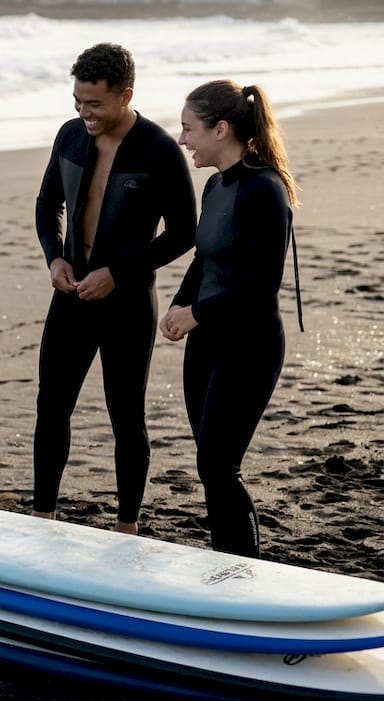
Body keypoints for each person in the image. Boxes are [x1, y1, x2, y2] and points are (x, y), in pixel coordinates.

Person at [31, 43, 197, 534]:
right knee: (51, 406)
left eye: (95, 104)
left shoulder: (160, 150)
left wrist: (119, 273)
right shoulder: (70, 136)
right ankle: (43, 515)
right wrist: (55, 256)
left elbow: (185, 232)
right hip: (71, 296)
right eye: (78, 101)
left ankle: (127, 526)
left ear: (126, 95)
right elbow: (47, 204)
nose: (84, 113)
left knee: (126, 415)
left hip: (126, 303)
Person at [160, 80, 300, 558]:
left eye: (188, 129)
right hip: (207, 341)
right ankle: (228, 565)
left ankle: (244, 571)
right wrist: (180, 307)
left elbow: (261, 286)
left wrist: (195, 313)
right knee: (209, 463)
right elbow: (206, 258)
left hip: (250, 345)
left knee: (220, 465)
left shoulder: (264, 190)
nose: (182, 140)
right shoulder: (217, 185)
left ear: (221, 129)